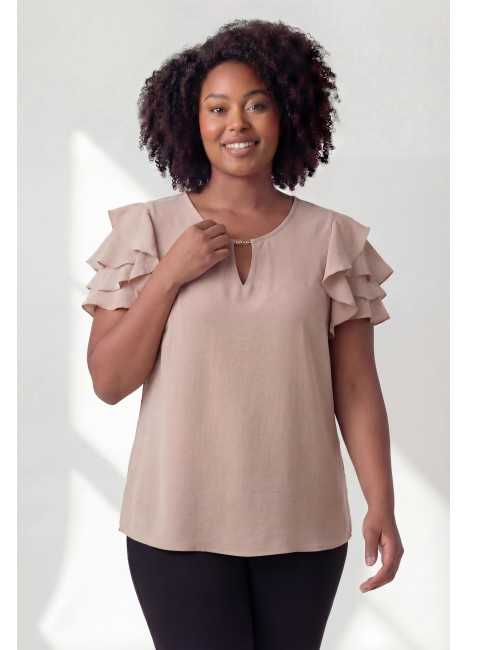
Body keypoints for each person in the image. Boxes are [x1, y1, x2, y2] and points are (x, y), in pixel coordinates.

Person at [82, 18, 404, 650]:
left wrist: (382, 503)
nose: (237, 124)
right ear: (191, 119)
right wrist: (169, 275)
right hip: (176, 524)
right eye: (218, 107)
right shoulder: (147, 231)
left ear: (288, 115)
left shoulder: (333, 239)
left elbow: (356, 386)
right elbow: (109, 381)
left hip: (303, 525)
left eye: (256, 104)